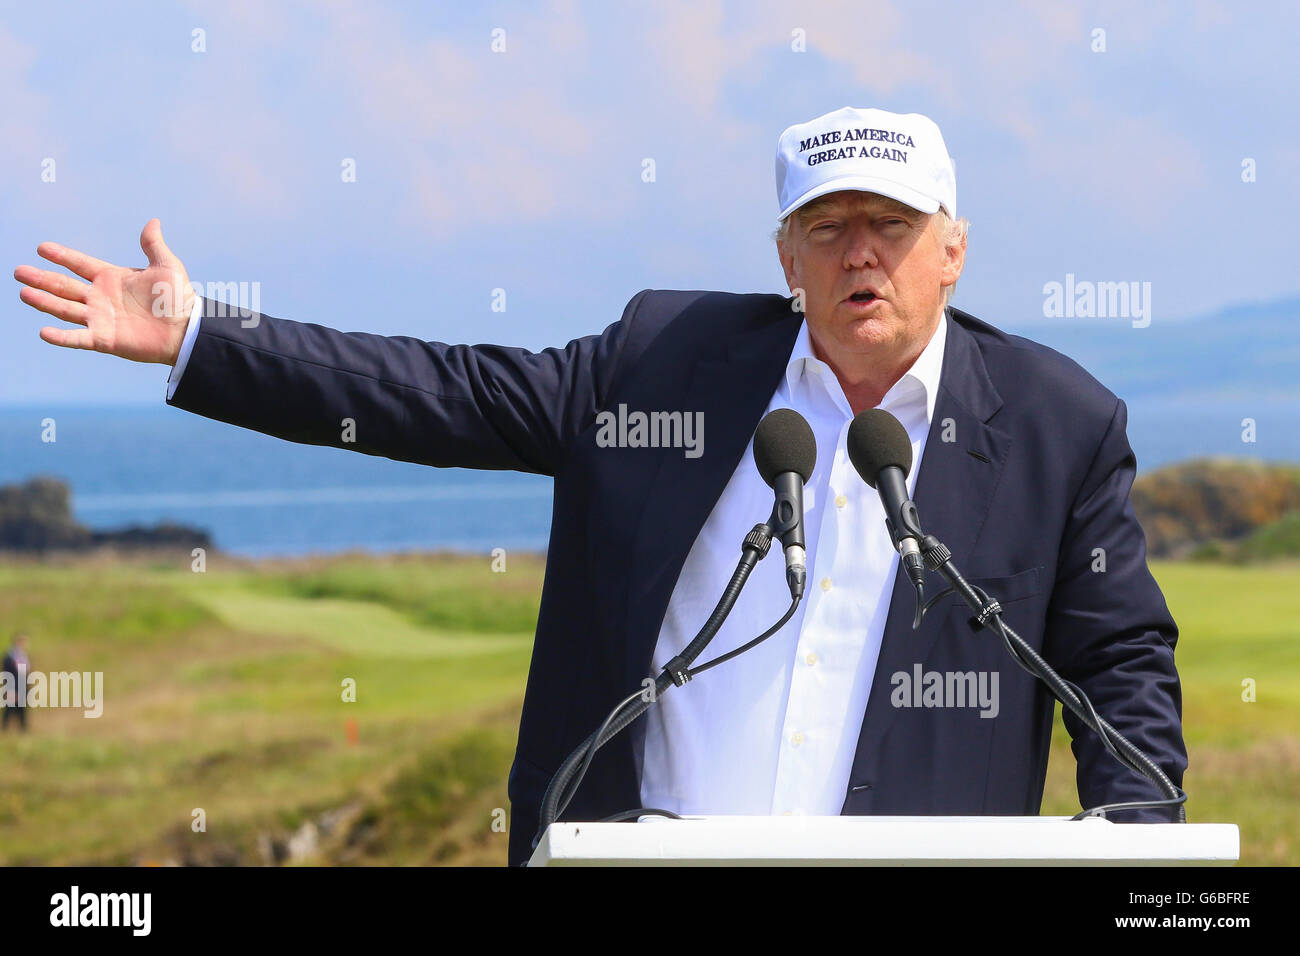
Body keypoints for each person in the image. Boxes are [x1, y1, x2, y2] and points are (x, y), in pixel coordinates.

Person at [13, 106, 1187, 867]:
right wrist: (197, 338)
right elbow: (439, 390)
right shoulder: (661, 365)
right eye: (824, 228)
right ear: (785, 258)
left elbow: (1119, 665)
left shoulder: (1056, 425)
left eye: (888, 223)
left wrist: (1135, 841)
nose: (858, 252)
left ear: (953, 247)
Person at [2, 633, 31, 732]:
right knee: (9, 710)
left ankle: (23, 730)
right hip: (12, 688)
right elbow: (7, 674)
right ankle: (4, 730)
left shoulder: (24, 656)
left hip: (23, 688)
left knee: (22, 710)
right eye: (21, 641)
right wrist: (11, 690)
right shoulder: (9, 657)